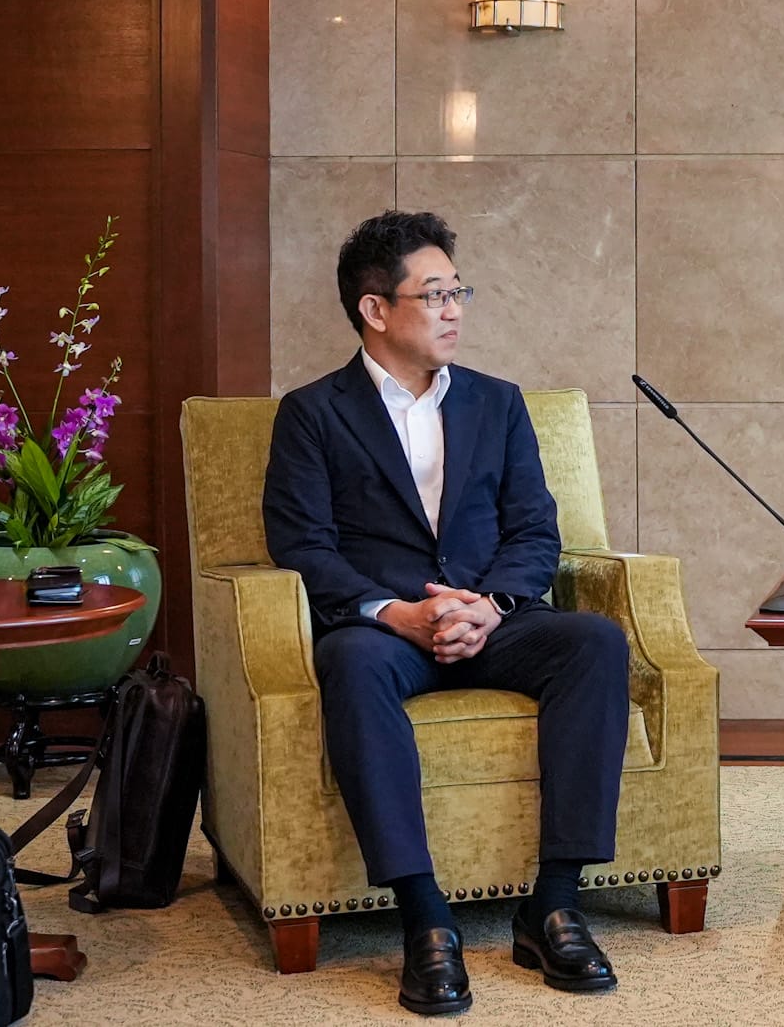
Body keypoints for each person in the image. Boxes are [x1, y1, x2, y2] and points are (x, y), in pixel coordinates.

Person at [263, 210, 630, 1015]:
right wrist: (393, 613)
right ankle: (424, 916)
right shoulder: (313, 413)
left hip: (489, 616)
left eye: (458, 290)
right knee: (350, 663)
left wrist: (490, 606)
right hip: (384, 631)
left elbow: (537, 529)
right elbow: (302, 546)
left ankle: (555, 904)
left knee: (595, 643)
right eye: (434, 294)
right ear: (375, 308)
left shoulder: (498, 405)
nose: (456, 308)